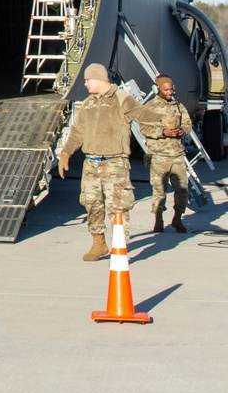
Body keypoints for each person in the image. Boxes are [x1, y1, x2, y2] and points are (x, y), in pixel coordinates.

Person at [57, 62, 159, 261]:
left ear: (99, 79)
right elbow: (78, 131)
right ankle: (98, 243)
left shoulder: (121, 98)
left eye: (88, 80)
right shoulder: (88, 103)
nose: (85, 84)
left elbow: (141, 114)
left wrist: (163, 120)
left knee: (118, 207)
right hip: (91, 163)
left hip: (114, 163)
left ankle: (119, 246)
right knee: (91, 204)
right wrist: (66, 153)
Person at [141, 75, 192, 233]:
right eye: (166, 89)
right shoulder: (150, 107)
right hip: (158, 155)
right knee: (159, 190)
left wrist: (182, 131)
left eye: (171, 89)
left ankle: (177, 218)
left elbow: (188, 124)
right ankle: (158, 219)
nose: (170, 92)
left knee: (183, 189)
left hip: (176, 154)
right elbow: (144, 128)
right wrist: (163, 132)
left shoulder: (178, 106)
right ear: (157, 90)